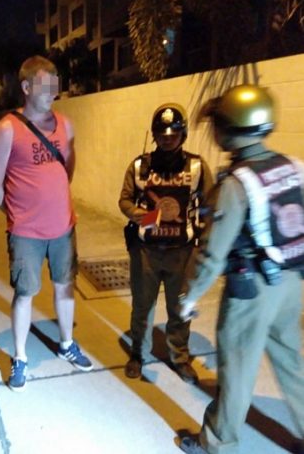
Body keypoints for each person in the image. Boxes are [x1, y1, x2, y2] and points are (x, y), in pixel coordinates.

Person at [178, 85, 304, 454]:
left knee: (236, 369)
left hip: (251, 291)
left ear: (230, 129)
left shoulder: (237, 184)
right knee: (290, 361)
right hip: (291, 282)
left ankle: (219, 443)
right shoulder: (293, 166)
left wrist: (189, 297)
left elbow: (212, 254)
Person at [0, 55, 93, 392]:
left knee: (65, 285)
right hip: (25, 234)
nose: (52, 93)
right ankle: (20, 358)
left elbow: (67, 170)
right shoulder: (6, 129)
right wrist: (19, 215)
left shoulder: (66, 125)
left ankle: (66, 343)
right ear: (26, 87)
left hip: (64, 227)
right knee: (24, 294)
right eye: (45, 86)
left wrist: (55, 205)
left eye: (54, 86)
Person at [118, 103, 213, 383]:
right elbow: (124, 200)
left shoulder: (196, 166)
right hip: (146, 252)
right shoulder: (140, 166)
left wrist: (205, 244)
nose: (168, 139)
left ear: (183, 135)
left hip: (183, 252)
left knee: (180, 308)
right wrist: (143, 216)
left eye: (174, 134)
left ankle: (179, 358)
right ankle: (138, 354)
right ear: (154, 135)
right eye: (162, 134)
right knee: (142, 306)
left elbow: (210, 204)